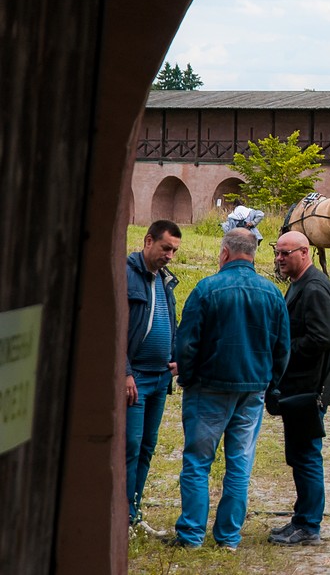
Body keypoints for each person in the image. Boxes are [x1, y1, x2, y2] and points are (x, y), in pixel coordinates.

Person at [169, 228, 290, 550]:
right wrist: (270, 384)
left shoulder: (207, 289)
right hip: (252, 388)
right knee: (239, 463)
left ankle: (192, 535)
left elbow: (188, 341)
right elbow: (282, 347)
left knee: (197, 462)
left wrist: (187, 378)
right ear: (254, 254)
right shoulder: (272, 293)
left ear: (224, 253)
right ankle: (229, 538)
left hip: (209, 387)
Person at [269, 230, 330, 547]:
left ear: (305, 252)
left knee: (307, 456)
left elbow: (321, 339)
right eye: (277, 251)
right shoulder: (300, 284)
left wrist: (282, 348)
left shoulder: (314, 288)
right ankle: (301, 519)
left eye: (286, 253)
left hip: (309, 387)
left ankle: (309, 525)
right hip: (298, 386)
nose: (279, 258)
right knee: (299, 455)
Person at [125, 220, 183, 537]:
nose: (170, 255)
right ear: (148, 241)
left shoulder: (164, 279)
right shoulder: (126, 274)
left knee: (147, 446)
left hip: (160, 379)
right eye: (165, 248)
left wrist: (174, 356)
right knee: (130, 446)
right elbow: (113, 330)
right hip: (136, 379)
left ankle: (134, 512)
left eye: (174, 250)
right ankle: (122, 516)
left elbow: (169, 322)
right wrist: (124, 372)